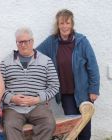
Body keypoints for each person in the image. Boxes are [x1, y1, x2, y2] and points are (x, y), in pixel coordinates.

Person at [37, 9, 100, 140]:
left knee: (85, 125)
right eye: (61, 23)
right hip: (66, 93)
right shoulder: (52, 42)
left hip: (84, 92)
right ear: (58, 25)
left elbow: (92, 66)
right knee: (72, 126)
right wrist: (21, 53)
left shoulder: (82, 41)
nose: (64, 26)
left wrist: (94, 89)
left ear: (72, 24)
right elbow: (36, 54)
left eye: (67, 23)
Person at [0, 27, 60, 140]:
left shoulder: (46, 61)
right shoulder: (5, 62)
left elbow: (55, 85)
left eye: (26, 41)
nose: (23, 45)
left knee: (48, 124)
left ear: (32, 41)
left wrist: (38, 99)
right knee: (10, 126)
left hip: (38, 106)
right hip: (13, 108)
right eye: (20, 42)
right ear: (16, 43)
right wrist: (12, 98)